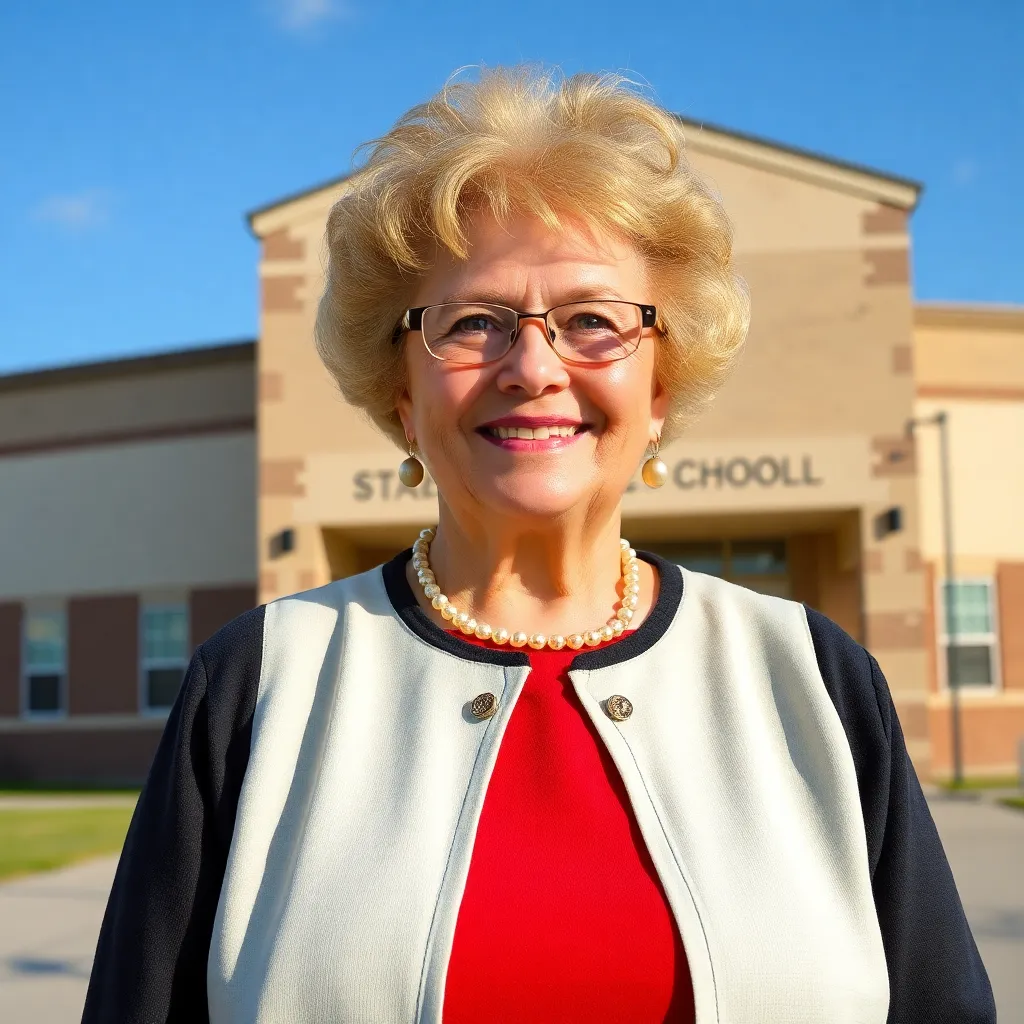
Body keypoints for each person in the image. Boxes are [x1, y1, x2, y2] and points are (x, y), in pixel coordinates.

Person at [83, 68, 994, 1023]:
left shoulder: (808, 675)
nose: (533, 366)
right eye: (473, 322)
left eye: (593, 322)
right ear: (402, 393)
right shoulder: (261, 680)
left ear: (660, 391)